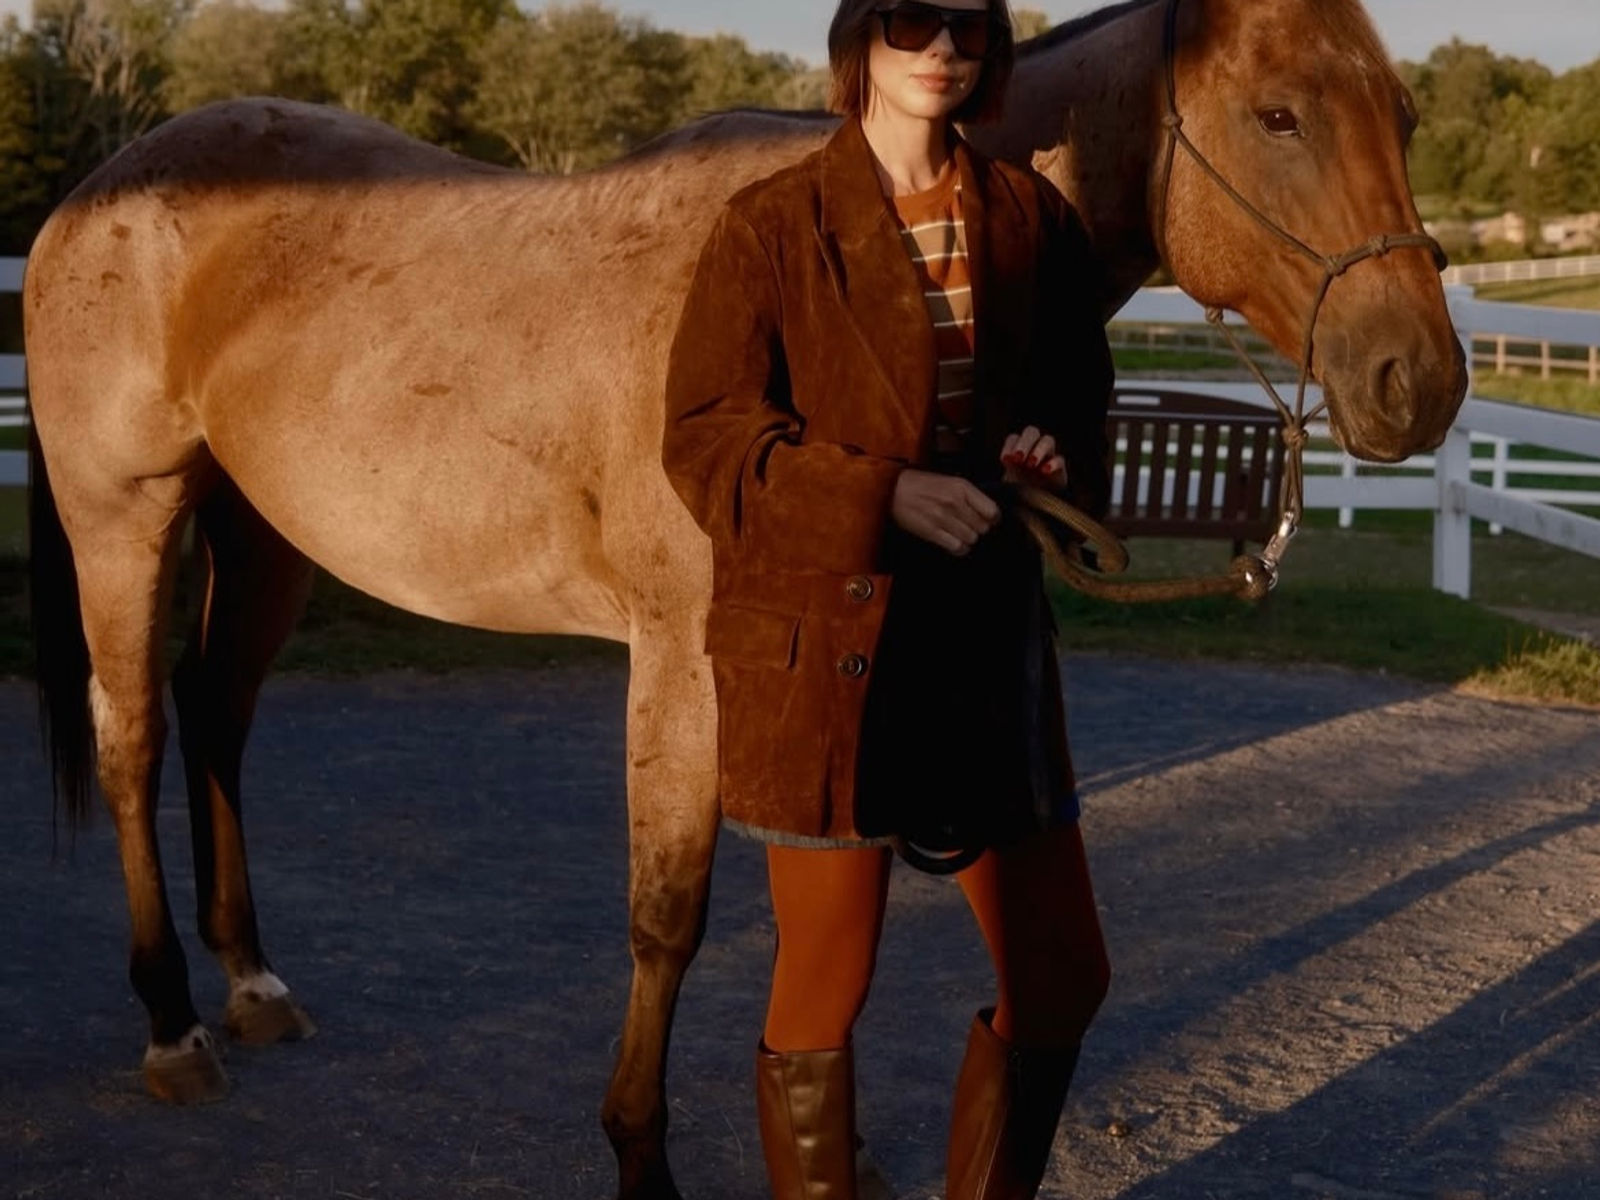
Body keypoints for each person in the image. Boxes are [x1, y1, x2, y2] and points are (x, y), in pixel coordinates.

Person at [661, 1, 1114, 1195]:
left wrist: (1048, 450)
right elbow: (707, 444)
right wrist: (883, 496)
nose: (944, 49)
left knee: (1063, 969)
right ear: (859, 41)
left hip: (984, 643)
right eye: (913, 21)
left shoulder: (1028, 219)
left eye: (970, 25)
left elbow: (1077, 393)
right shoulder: (767, 225)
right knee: (824, 975)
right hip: (827, 654)